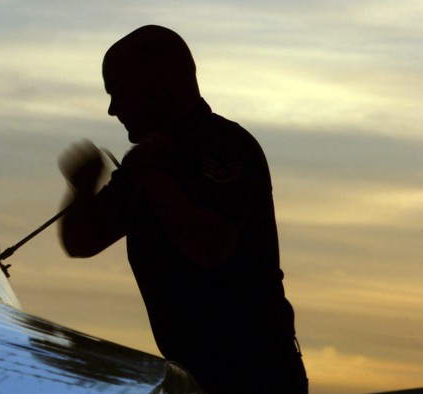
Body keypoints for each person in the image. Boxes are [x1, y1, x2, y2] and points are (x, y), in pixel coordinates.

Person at [58, 25, 307, 393]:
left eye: (119, 92)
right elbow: (83, 242)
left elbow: (212, 246)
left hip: (258, 377)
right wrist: (81, 189)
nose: (113, 109)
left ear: (158, 82)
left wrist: (153, 178)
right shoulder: (145, 163)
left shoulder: (227, 148)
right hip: (192, 379)